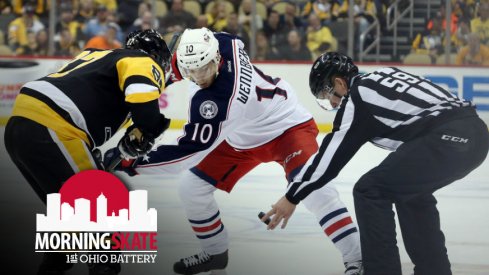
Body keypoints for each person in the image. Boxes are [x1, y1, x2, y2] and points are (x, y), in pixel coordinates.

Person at [108, 27, 363, 275]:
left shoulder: (221, 100)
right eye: (191, 70)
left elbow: (186, 154)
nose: (199, 77)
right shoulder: (222, 44)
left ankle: (358, 259)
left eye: (204, 68)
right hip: (241, 136)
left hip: (286, 128)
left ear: (216, 59)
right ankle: (216, 253)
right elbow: (212, 48)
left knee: (315, 190)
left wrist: (130, 161)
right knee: (192, 188)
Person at [262, 52, 489, 275]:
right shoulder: (384, 75)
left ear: (339, 82)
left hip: (447, 137)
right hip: (476, 133)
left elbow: (327, 161)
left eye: (327, 93)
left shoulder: (356, 98)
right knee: (411, 194)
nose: (331, 102)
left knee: (369, 190)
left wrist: (292, 196)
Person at [4, 29, 172, 275]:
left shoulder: (99, 56)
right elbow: (145, 113)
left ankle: (57, 260)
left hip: (22, 126)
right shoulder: (141, 60)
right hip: (53, 127)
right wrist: (151, 128)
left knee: (71, 222)